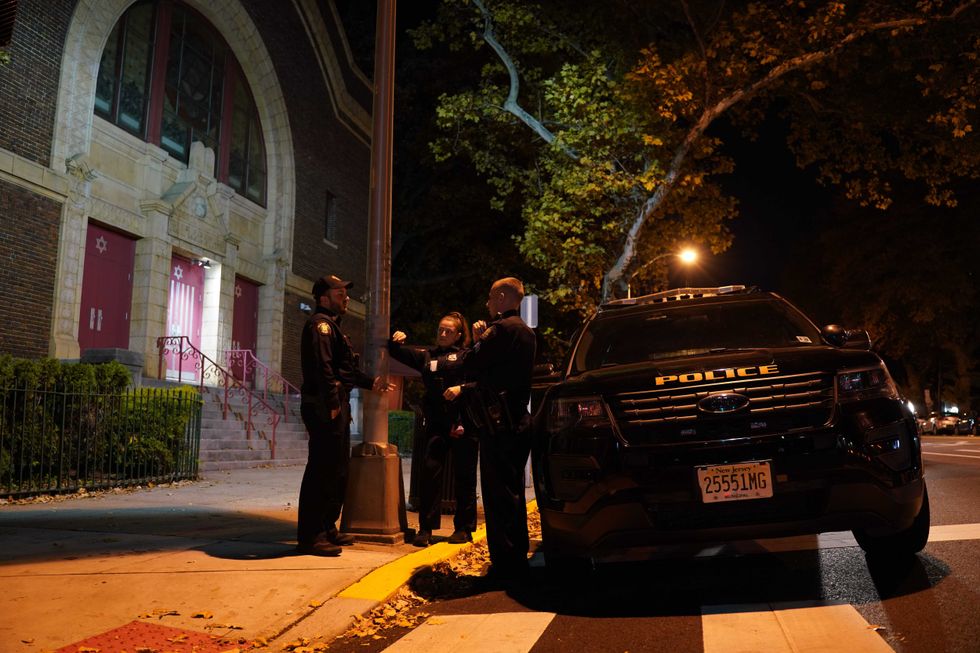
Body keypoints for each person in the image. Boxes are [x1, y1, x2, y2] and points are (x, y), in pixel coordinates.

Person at [444, 277, 536, 583]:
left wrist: (478, 338)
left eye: (489, 297)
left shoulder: (502, 330)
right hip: (517, 420)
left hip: (499, 425)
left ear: (501, 296)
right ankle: (516, 558)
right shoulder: (525, 332)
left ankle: (505, 565)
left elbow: (471, 363)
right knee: (512, 495)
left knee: (498, 497)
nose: (486, 303)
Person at [297, 274, 391, 556]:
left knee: (337, 471)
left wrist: (370, 382)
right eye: (340, 294)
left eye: (345, 294)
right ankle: (311, 536)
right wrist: (331, 404)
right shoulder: (320, 326)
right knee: (321, 470)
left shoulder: (333, 327)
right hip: (326, 406)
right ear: (324, 298)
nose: (346, 298)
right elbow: (323, 369)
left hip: (336, 404)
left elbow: (344, 370)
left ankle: (327, 528)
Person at [389, 312, 479, 547]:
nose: (442, 333)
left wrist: (462, 388)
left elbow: (484, 380)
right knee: (430, 473)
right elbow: (397, 352)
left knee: (464, 477)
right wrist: (394, 340)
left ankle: (463, 528)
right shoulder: (427, 356)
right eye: (440, 329)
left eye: (448, 331)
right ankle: (426, 528)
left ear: (459, 335)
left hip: (463, 422)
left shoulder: (468, 356)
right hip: (437, 423)